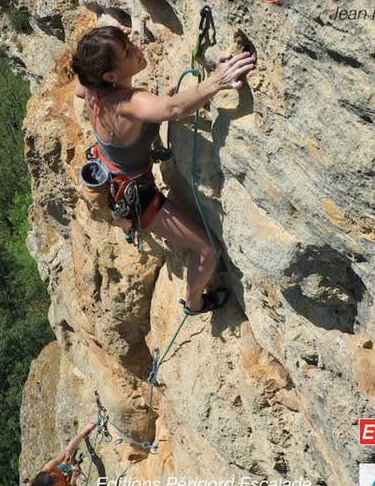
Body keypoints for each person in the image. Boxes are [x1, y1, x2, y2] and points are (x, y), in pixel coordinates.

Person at [72, 21, 256, 315]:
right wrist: (217, 80)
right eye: (127, 51)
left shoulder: (91, 87)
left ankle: (127, 223)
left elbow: (80, 82)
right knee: (209, 248)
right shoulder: (129, 103)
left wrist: (108, 42)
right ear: (110, 76)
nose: (137, 48)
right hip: (139, 198)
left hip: (112, 176)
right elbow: (172, 109)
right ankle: (194, 303)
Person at [27, 419, 113, 486]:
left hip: (62, 479)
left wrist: (85, 431)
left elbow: (65, 453)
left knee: (69, 455)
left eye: (54, 476)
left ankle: (70, 460)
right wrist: (73, 478)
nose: (57, 478)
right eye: (55, 481)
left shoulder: (47, 468)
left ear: (49, 472)